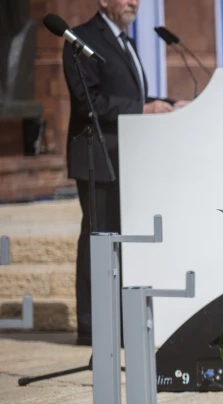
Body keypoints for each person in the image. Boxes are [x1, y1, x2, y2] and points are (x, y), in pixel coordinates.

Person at [62, 0, 188, 346]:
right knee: (98, 238)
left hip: (126, 158)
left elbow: (131, 97)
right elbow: (90, 102)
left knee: (119, 239)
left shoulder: (125, 41)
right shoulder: (80, 39)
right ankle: (91, 326)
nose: (135, 2)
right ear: (104, 1)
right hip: (97, 156)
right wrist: (146, 109)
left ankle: (117, 321)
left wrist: (167, 103)